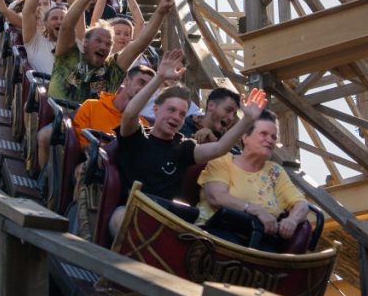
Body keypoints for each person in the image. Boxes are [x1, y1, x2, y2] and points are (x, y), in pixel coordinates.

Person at [107, 49, 268, 235]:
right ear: (156, 110)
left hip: (166, 216)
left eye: (182, 114)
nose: (176, 117)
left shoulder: (183, 148)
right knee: (122, 219)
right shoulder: (136, 137)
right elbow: (129, 114)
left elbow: (220, 148)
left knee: (199, 238)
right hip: (131, 210)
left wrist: (247, 120)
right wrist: (159, 78)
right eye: (171, 110)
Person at [48, 0, 175, 107]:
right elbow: (67, 26)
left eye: (108, 44)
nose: (103, 46)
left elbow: (140, 45)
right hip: (60, 122)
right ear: (85, 42)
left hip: (93, 125)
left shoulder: (112, 70)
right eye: (98, 41)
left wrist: (160, 12)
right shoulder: (68, 55)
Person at [196, 110, 310, 250]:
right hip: (216, 234)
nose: (270, 140)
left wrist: (292, 220)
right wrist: (256, 210)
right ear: (245, 137)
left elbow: (302, 204)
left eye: (274, 137)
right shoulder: (222, 161)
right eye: (263, 134)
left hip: (261, 241)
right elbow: (216, 197)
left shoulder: (275, 171)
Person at [21, 0, 82, 74]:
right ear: (46, 23)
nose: (59, 21)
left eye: (63, 18)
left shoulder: (77, 42)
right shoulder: (35, 43)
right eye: (54, 18)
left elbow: (78, 8)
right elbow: (28, 12)